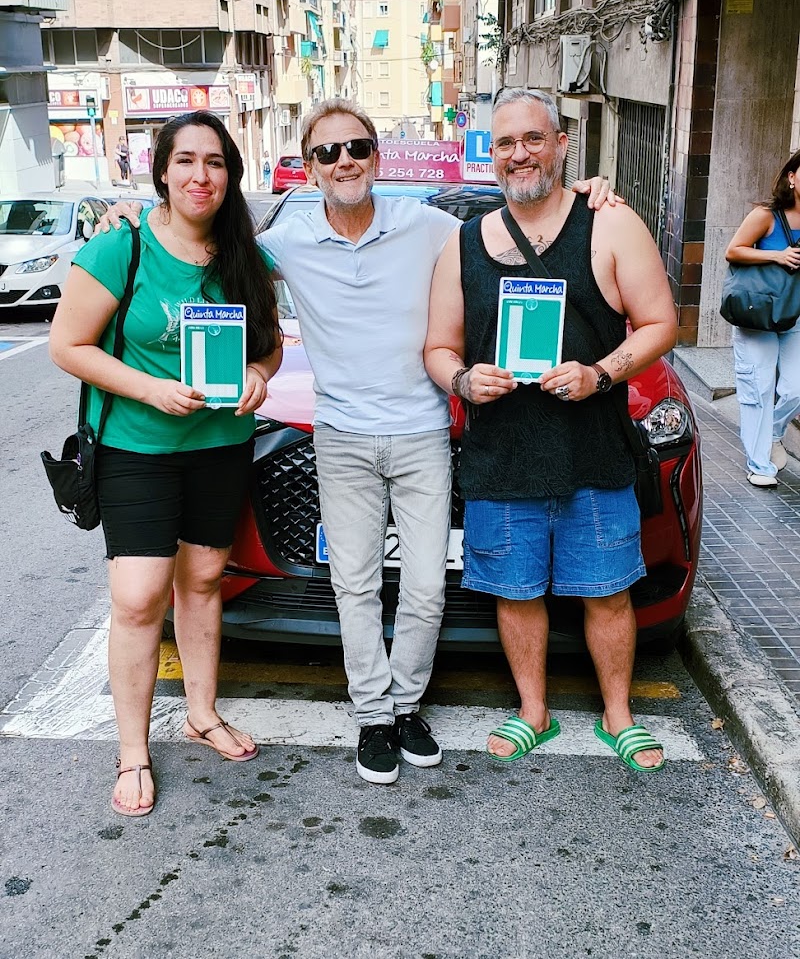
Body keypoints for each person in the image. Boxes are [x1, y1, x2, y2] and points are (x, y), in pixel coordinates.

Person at [101, 97, 617, 787]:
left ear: (377, 156)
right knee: (355, 586)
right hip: (340, 435)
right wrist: (128, 216)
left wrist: (586, 193)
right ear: (310, 169)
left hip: (422, 434)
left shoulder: (430, 224)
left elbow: (513, 213)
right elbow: (192, 238)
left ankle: (407, 706)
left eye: (357, 148)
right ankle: (374, 714)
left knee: (428, 587)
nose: (343, 161)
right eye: (326, 152)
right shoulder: (284, 239)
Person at [424, 88, 677, 773]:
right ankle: (533, 709)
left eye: (533, 138)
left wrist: (602, 372)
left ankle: (619, 713)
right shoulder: (465, 243)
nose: (519, 154)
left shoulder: (611, 224)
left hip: (591, 452)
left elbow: (661, 322)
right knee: (516, 592)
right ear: (491, 156)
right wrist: (462, 380)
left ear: (562, 144)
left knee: (608, 589)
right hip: (501, 457)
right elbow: (438, 347)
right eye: (505, 143)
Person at [49, 112, 282, 817]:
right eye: (185, 160)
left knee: (205, 578)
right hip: (135, 449)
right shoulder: (122, 245)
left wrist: (259, 375)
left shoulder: (247, 254)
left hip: (217, 446)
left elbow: (268, 345)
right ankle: (132, 751)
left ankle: (201, 713)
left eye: (214, 162)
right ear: (161, 171)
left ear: (230, 175)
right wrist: (150, 387)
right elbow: (68, 345)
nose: (200, 175)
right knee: (140, 594)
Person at [724, 153, 800, 487]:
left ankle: (772, 433)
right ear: (792, 178)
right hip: (760, 313)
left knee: (795, 386)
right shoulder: (766, 215)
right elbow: (734, 250)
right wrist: (777, 254)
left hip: (795, 314)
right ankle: (760, 466)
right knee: (759, 386)